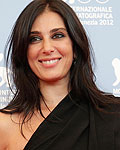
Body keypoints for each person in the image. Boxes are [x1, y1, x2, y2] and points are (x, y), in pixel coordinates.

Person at [0, 0, 120, 149]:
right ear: (24, 52)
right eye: (35, 39)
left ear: (75, 47)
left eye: (57, 35)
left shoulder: (114, 115)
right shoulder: (4, 125)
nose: (47, 48)